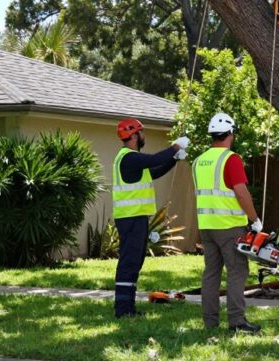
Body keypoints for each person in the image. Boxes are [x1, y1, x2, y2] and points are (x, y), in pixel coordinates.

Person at [192, 112, 262, 333]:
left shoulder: (198, 161)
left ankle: (210, 323)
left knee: (211, 273)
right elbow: (241, 193)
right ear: (230, 133)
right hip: (229, 226)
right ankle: (237, 322)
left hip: (206, 226)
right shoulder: (231, 159)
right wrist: (255, 220)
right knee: (237, 271)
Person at [112, 117, 189, 318]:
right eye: (141, 132)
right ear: (135, 135)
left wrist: (174, 159)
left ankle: (128, 308)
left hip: (134, 218)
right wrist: (174, 147)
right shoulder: (129, 158)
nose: (143, 136)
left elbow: (154, 171)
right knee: (129, 262)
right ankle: (123, 310)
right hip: (130, 218)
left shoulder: (131, 160)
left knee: (134, 262)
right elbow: (154, 160)